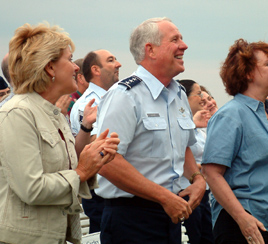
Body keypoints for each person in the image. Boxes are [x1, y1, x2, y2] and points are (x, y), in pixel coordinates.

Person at [0, 23, 120, 244]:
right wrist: (83, 171)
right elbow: (32, 189)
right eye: (70, 59)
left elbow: (66, 170)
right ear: (50, 68)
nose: (77, 67)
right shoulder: (17, 113)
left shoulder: (53, 113)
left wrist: (94, 160)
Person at [95, 17, 206, 244]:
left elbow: (182, 146)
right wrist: (165, 197)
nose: (183, 46)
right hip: (131, 219)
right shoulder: (125, 95)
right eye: (175, 39)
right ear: (151, 50)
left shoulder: (179, 94)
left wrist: (197, 180)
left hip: (170, 215)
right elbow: (107, 161)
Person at [202, 38, 268, 244]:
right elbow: (211, 173)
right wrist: (242, 218)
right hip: (246, 227)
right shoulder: (231, 115)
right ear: (247, 73)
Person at [70, 49, 121, 234]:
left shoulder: (114, 98)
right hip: (102, 192)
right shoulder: (88, 105)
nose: (118, 64)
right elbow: (101, 148)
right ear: (96, 70)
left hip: (116, 188)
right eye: (111, 60)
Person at [178, 79, 215, 244]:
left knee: (208, 238)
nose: (202, 98)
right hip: (185, 192)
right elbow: (176, 153)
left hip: (204, 192)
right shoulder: (182, 122)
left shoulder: (201, 125)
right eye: (198, 94)